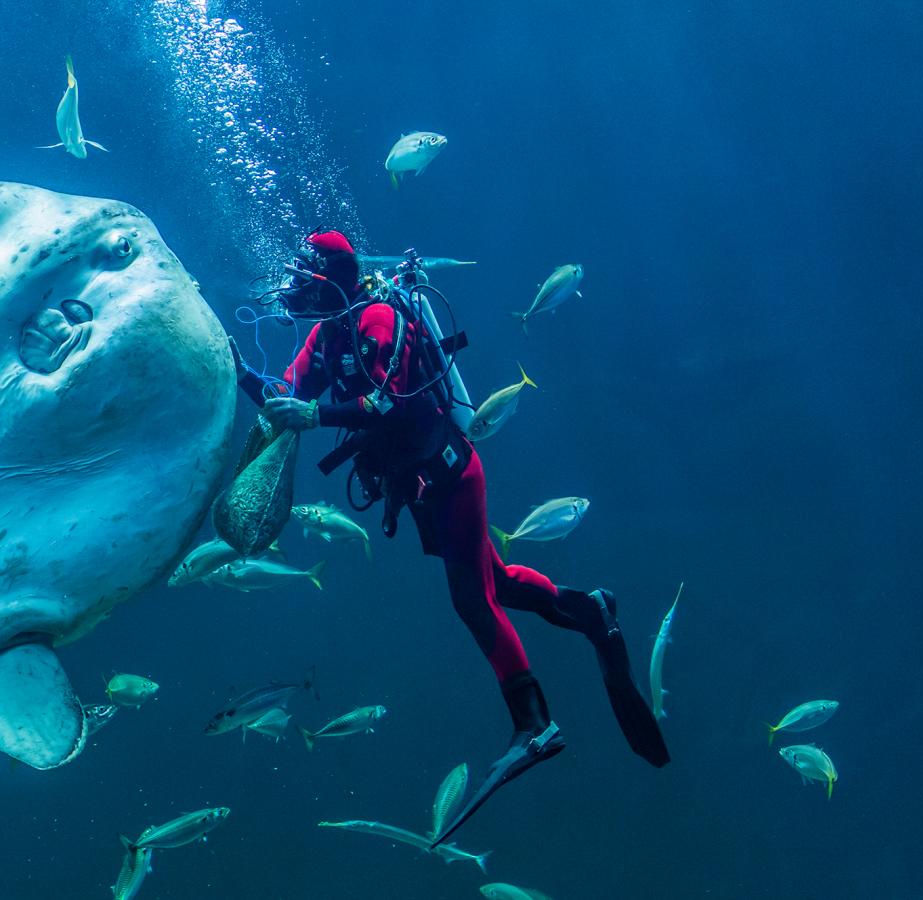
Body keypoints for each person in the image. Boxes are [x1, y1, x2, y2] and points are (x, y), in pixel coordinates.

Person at [231, 231, 668, 846]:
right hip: (420, 490)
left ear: (335, 275)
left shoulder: (379, 317)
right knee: (501, 582)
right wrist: (235, 368)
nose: (297, 284)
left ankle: (533, 724)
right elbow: (288, 396)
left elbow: (384, 402)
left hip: (452, 476)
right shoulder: (325, 336)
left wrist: (318, 416)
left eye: (308, 272)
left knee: (472, 600)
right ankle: (591, 611)